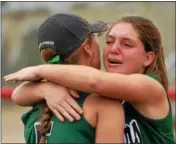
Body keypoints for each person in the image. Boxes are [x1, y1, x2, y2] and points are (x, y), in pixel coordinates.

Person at [5, 15, 175, 144]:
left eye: (127, 44)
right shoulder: (100, 101)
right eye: (109, 41)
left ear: (148, 58)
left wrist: (40, 70)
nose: (113, 49)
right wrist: (45, 88)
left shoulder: (151, 87)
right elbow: (18, 94)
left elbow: (95, 81)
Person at [5, 13, 125, 144]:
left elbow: (18, 94)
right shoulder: (106, 106)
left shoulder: (34, 102)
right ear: (87, 48)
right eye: (94, 38)